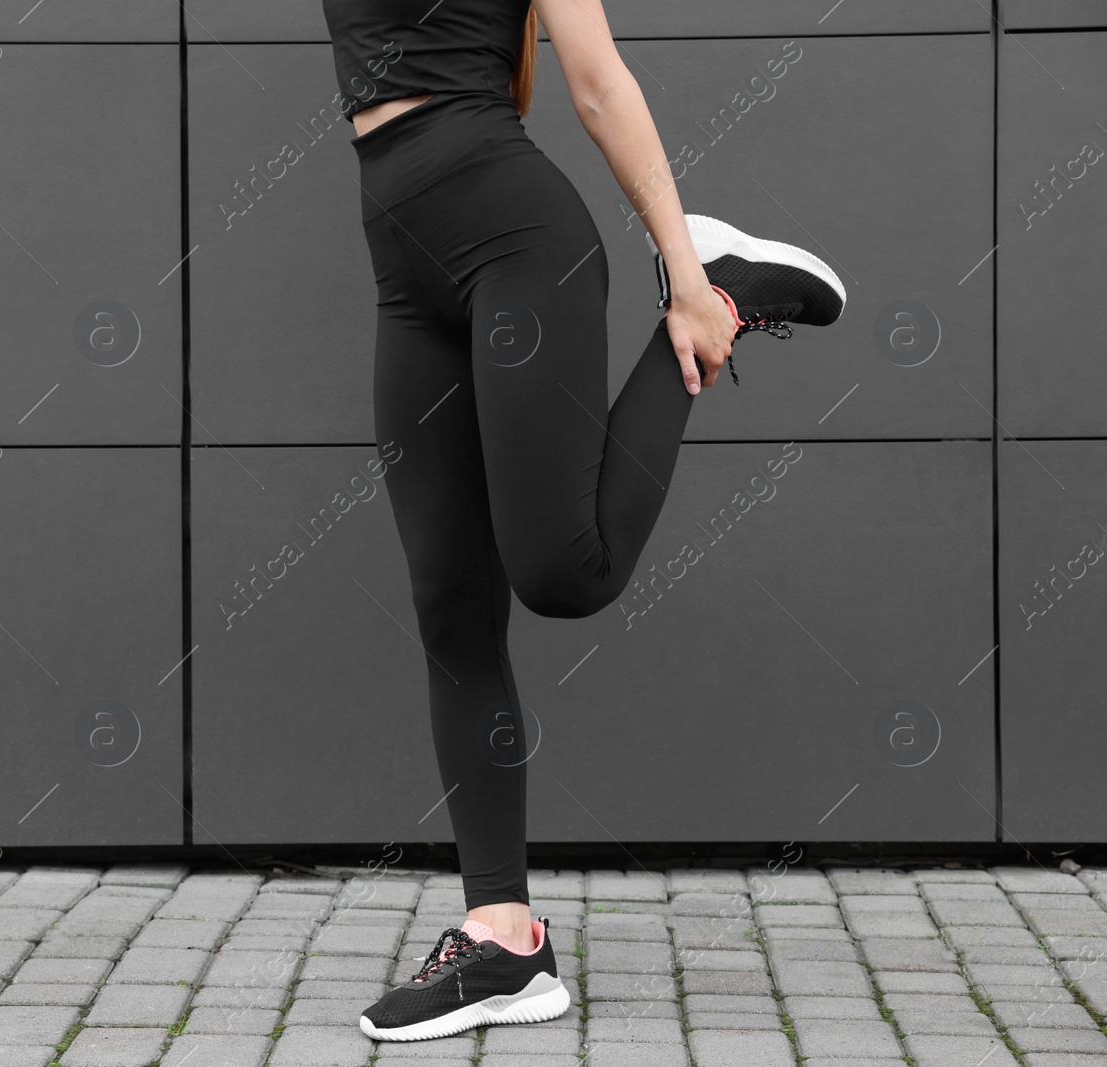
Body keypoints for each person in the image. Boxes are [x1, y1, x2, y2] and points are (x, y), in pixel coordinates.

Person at [319, 0, 847, 1043]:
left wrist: (681, 277)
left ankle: (725, 283)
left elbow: (592, 80)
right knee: (449, 602)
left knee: (565, 572)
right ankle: (504, 938)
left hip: (512, 235)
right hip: (401, 251)